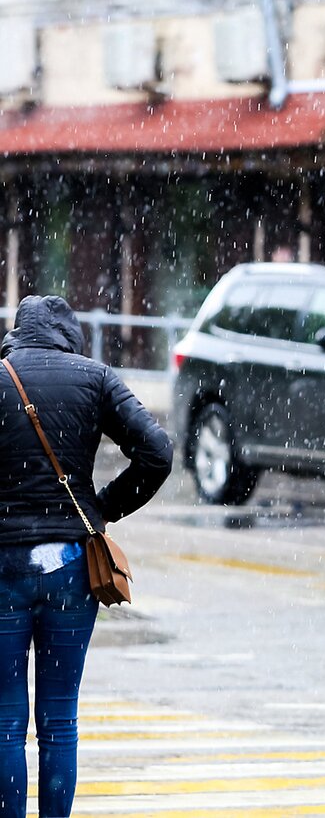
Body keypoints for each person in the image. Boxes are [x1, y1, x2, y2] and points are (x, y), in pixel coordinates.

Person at [0, 295, 173, 818]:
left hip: (3, 567)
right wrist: (106, 507)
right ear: (69, 336)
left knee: (5, 720)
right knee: (59, 718)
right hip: (74, 570)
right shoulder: (95, 379)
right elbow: (158, 452)